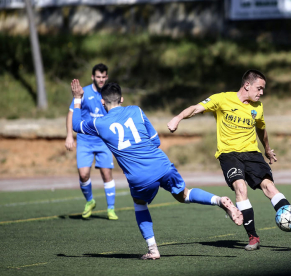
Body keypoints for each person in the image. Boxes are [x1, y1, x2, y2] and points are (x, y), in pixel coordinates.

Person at [70, 80, 243, 260]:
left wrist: (77, 98)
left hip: (139, 176)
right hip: (161, 164)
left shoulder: (99, 124)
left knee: (139, 205)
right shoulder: (136, 110)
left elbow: (76, 125)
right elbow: (156, 140)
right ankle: (219, 200)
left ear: (102, 102)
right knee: (184, 194)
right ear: (122, 99)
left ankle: (153, 249)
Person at [167, 69, 291, 251]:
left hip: (252, 154)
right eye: (259, 88)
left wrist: (267, 149)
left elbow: (262, 129)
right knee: (240, 187)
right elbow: (196, 108)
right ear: (247, 85)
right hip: (229, 155)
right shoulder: (222, 99)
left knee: (269, 187)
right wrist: (178, 118)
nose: (261, 93)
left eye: (263, 89)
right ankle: (253, 237)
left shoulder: (257, 107)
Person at [65, 64, 118, 220]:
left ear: (106, 77)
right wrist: (69, 135)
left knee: (106, 173)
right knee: (83, 174)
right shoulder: (84, 92)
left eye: (103, 77)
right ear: (93, 77)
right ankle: (90, 201)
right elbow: (71, 113)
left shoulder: (109, 93)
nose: (101, 80)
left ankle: (111, 209)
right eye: (98, 77)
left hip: (103, 140)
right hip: (85, 140)